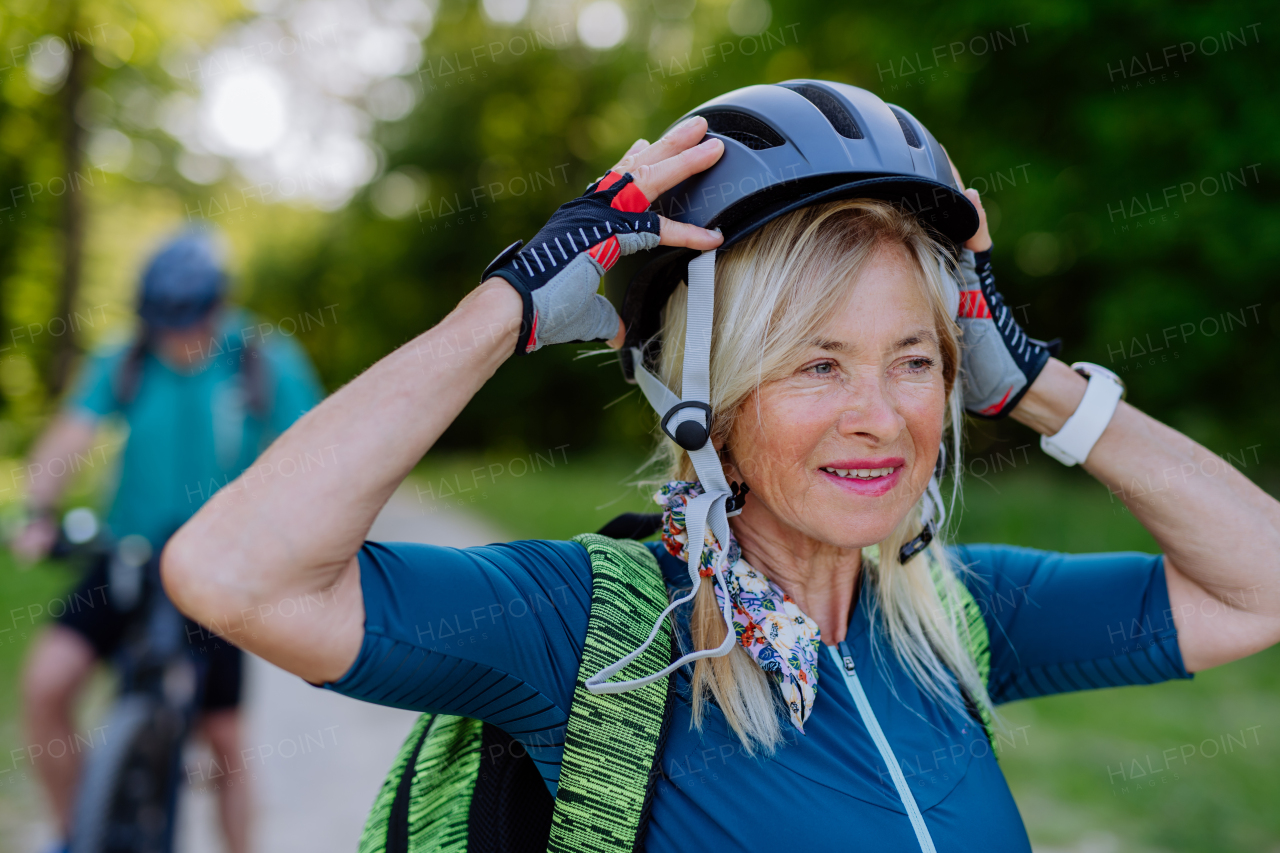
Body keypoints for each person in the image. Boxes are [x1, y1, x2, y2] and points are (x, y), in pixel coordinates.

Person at [162, 82, 1280, 851]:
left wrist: (1032, 380)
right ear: (706, 397)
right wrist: (503, 307)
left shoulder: (954, 612)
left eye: (913, 360)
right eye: (813, 364)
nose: (879, 417)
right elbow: (235, 573)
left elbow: (1258, 579)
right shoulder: (587, 634)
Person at [16, 229, 324, 853]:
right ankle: (77, 833)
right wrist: (38, 510)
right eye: (163, 325)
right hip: (129, 554)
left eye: (189, 322)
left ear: (218, 306)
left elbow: (316, 454)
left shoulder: (261, 358)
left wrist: (295, 538)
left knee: (226, 740)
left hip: (218, 569)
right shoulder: (125, 358)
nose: (177, 339)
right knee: (45, 686)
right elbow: (70, 437)